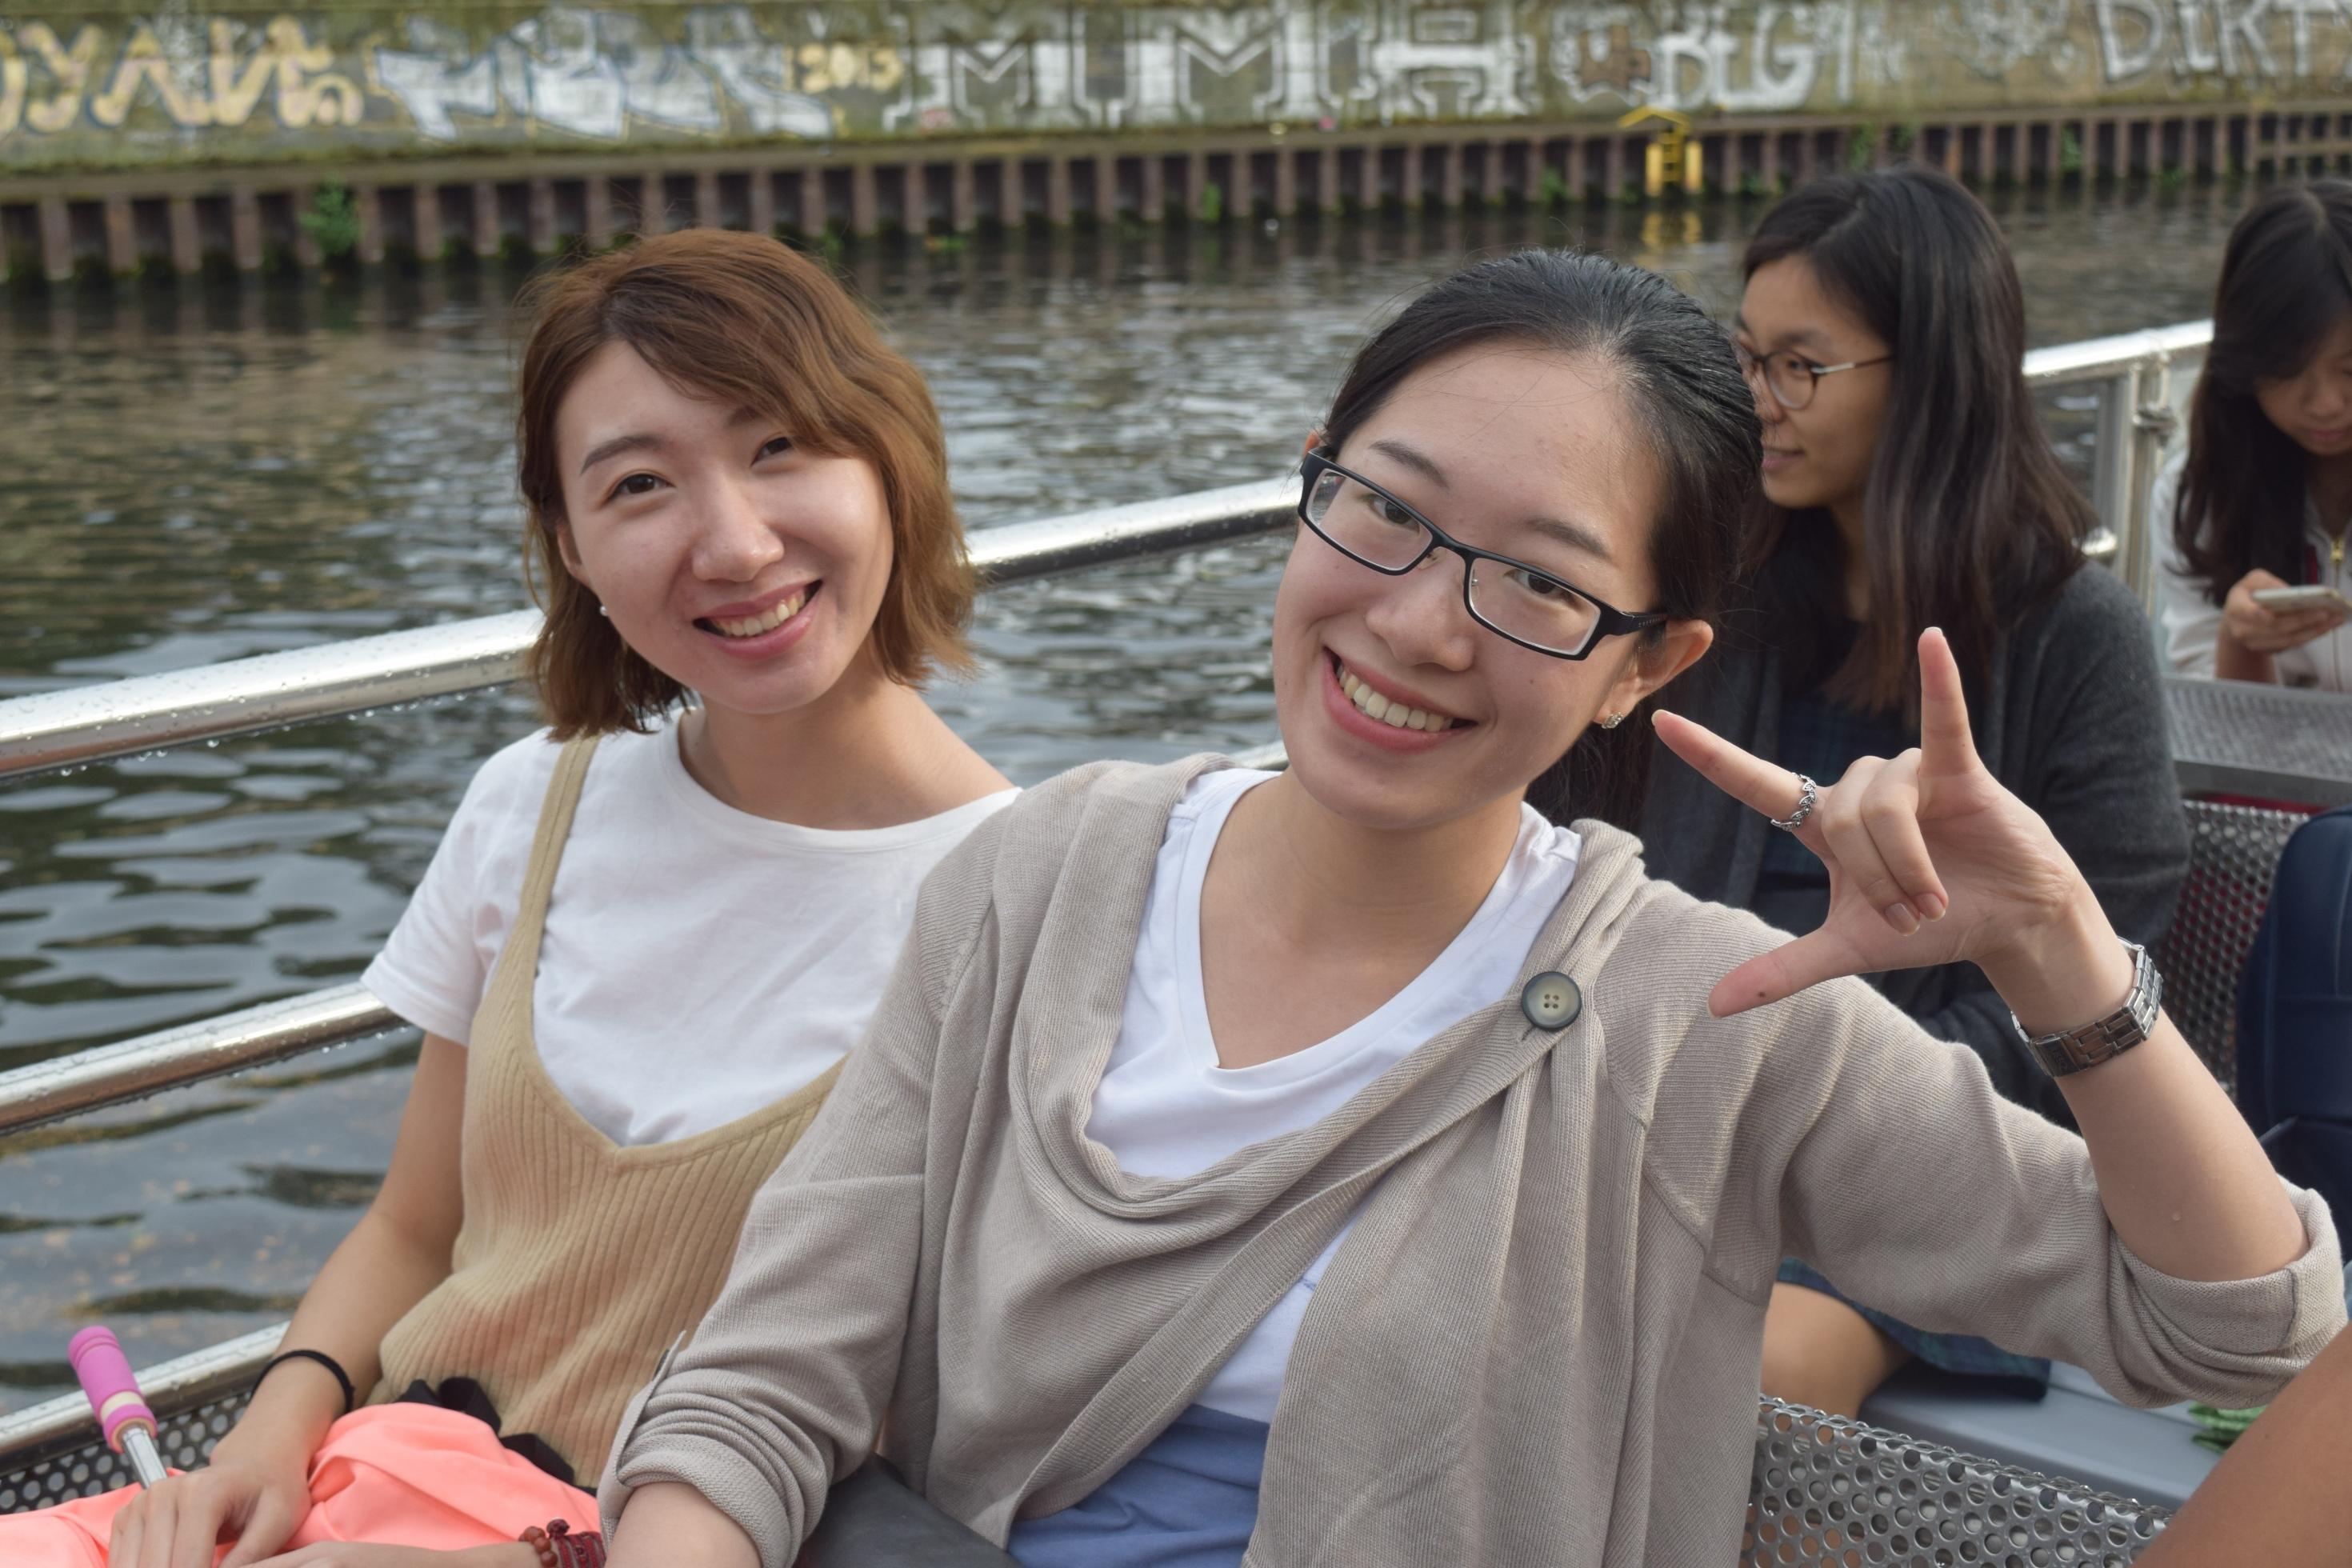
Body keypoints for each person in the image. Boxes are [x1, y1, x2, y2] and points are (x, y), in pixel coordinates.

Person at [593, 250, 2342, 1568]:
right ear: (1312, 481)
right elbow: (766, 1378)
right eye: (1385, 511)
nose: (1421, 623)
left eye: (1540, 585)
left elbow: (2242, 1328)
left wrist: (2059, 957)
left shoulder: (1700, 1016)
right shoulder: (1042, 872)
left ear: (1646, 665)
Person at [7, 229, 1014, 1568]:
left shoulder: (1020, 905)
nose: (734, 541)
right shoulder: (536, 803)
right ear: (572, 546)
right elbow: (414, 1228)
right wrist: (260, 1446)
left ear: (890, 461)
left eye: (779, 445)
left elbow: (921, 1440)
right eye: (640, 484)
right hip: (361, 1482)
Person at [1638, 165, 2192, 1417]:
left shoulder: (2074, 636)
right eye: (1746, 358)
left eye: (1801, 367)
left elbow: (2100, 964)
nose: (1759, 402)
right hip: (1688, 1126)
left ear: (1931, 377)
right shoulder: (1718, 607)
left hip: (1935, 1172)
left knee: (1751, 1373)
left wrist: (1840, 1108)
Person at [2155, 179, 2352, 691]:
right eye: (2288, 370)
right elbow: (2222, 723)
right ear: (2246, 363)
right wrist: (2239, 640)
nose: (2326, 403)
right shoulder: (2197, 496)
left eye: (2350, 370)